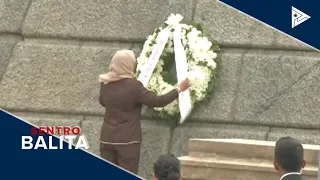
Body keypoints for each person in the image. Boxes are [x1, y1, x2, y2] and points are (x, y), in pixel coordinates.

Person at [98, 50, 189, 174]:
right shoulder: (133, 86)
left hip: (106, 139)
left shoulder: (105, 83)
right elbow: (158, 101)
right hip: (127, 141)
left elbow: (102, 101)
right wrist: (179, 89)